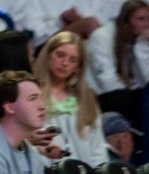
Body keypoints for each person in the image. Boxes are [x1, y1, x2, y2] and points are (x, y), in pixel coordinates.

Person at [33, 31, 108, 167]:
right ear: (48, 55)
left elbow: (97, 146)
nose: (65, 63)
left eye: (73, 60)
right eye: (60, 55)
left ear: (78, 67)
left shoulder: (86, 97)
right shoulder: (32, 94)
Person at [86, 0, 149, 121]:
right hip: (99, 94)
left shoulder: (140, 40)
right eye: (141, 19)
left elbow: (143, 80)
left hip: (125, 91)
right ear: (126, 22)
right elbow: (108, 82)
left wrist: (143, 45)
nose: (147, 24)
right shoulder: (101, 36)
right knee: (124, 98)